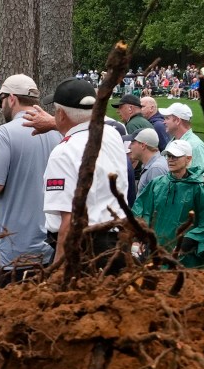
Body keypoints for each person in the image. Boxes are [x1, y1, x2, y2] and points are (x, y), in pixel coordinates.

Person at [30, 76, 132, 267]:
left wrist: (57, 271)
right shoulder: (112, 135)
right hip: (118, 244)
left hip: (84, 249)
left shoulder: (63, 153)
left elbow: (69, 221)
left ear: (61, 114)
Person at [0, 74, 57, 282]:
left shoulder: (5, 133)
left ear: (11, 99)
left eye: (0, 101)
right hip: (49, 246)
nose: (0, 106)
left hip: (13, 248)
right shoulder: (56, 132)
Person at [134, 138, 204, 269]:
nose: (170, 159)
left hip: (185, 258)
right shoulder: (157, 184)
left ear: (188, 159)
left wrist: (188, 242)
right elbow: (141, 210)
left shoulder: (197, 188)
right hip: (155, 251)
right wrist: (140, 236)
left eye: (175, 156)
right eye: (169, 156)